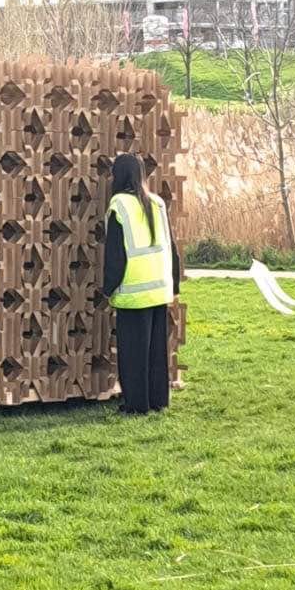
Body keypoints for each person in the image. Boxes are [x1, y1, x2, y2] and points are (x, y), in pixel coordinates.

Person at [103, 151, 181, 414]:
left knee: (133, 354)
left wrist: (108, 288)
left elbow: (115, 254)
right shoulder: (157, 202)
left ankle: (136, 405)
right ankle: (158, 401)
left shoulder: (119, 205)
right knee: (156, 352)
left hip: (134, 291)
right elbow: (172, 246)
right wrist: (175, 283)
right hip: (159, 288)